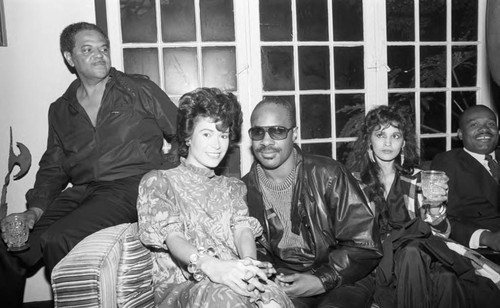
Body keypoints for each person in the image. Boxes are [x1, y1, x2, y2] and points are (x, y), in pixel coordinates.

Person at [0, 22, 178, 307]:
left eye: (103, 48)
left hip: (131, 186)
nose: (100, 55)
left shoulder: (138, 89)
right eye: (88, 50)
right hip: (82, 190)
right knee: (10, 245)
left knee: (60, 237)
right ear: (70, 58)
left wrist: (165, 176)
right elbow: (53, 168)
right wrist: (33, 211)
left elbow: (182, 133)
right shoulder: (61, 109)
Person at [137, 88, 293, 308]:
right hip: (185, 287)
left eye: (223, 135)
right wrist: (209, 265)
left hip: (232, 274)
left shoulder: (233, 187)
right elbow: (173, 237)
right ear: (188, 137)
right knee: (227, 297)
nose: (217, 145)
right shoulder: (159, 182)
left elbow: (242, 230)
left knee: (272, 297)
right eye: (207, 134)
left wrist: (249, 266)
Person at [347, 104, 500, 308]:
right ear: (369, 140)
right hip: (378, 259)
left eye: (396, 136)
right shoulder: (354, 183)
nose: (388, 142)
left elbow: (441, 232)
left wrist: (436, 208)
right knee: (415, 253)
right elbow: (351, 235)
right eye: (381, 135)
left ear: (403, 142)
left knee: (444, 276)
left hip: (424, 254)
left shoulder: (419, 178)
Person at [242, 97, 382, 308]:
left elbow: (364, 245)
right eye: (258, 132)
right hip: (286, 281)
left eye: (278, 131)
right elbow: (253, 250)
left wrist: (321, 280)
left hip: (343, 277)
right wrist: (269, 277)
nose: (266, 141)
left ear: (294, 133)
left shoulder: (328, 175)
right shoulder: (244, 190)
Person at [431, 105, 500, 252]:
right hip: (484, 250)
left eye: (491, 124)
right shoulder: (448, 162)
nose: (484, 129)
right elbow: (443, 219)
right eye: (474, 124)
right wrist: (485, 237)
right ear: (460, 134)